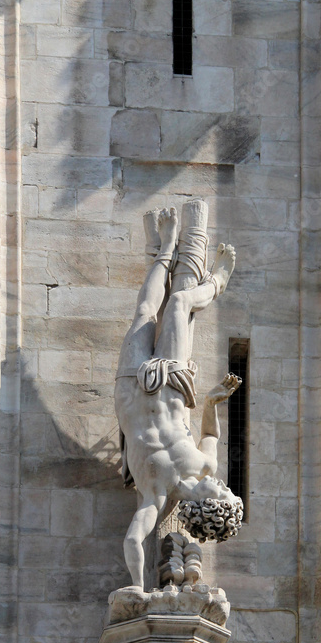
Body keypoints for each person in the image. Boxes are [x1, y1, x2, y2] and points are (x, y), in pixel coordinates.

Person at [114, 200, 241, 591]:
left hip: (132, 388)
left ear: (205, 504)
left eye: (220, 491)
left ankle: (165, 249)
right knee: (181, 302)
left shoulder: (155, 495)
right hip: (170, 381)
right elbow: (213, 435)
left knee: (145, 313)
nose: (221, 483)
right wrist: (213, 401)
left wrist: (136, 587)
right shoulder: (204, 466)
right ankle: (215, 281)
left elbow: (135, 538)